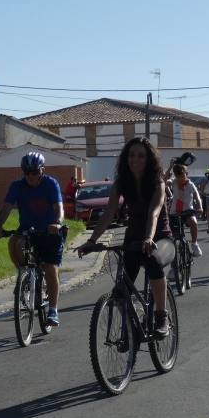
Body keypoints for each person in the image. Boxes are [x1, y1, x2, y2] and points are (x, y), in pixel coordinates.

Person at [79, 137, 175, 338]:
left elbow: (154, 212)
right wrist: (92, 241)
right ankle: (132, 328)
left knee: (153, 261)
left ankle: (161, 316)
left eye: (141, 156)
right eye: (131, 155)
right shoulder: (122, 182)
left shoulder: (157, 181)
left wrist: (149, 238)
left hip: (160, 238)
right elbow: (109, 213)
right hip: (133, 240)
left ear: (149, 159)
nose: (135, 160)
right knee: (120, 293)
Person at [0, 152, 67, 327]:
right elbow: (6, 208)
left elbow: (59, 208)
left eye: (35, 172)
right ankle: (24, 274)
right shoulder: (17, 186)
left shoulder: (51, 183)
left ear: (42, 170)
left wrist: (57, 223)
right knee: (13, 242)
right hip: (28, 229)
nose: (31, 176)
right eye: (27, 172)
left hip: (50, 231)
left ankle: (53, 310)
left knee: (50, 268)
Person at [165, 162, 203, 256]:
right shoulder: (174, 182)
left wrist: (200, 207)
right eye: (178, 176)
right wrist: (170, 167)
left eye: (182, 176)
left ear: (186, 174)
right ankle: (175, 266)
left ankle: (194, 244)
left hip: (187, 211)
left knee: (193, 222)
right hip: (174, 212)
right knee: (174, 239)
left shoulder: (190, 185)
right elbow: (164, 180)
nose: (180, 178)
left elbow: (197, 196)